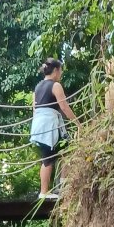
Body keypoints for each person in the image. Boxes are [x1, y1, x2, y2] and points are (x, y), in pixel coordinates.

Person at [30, 57, 80, 198]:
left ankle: (57, 187)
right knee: (57, 154)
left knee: (59, 153)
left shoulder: (38, 87)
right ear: (56, 70)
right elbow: (64, 106)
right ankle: (47, 191)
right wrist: (77, 123)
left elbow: (35, 108)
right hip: (49, 124)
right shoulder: (55, 86)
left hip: (39, 124)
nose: (61, 74)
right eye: (61, 70)